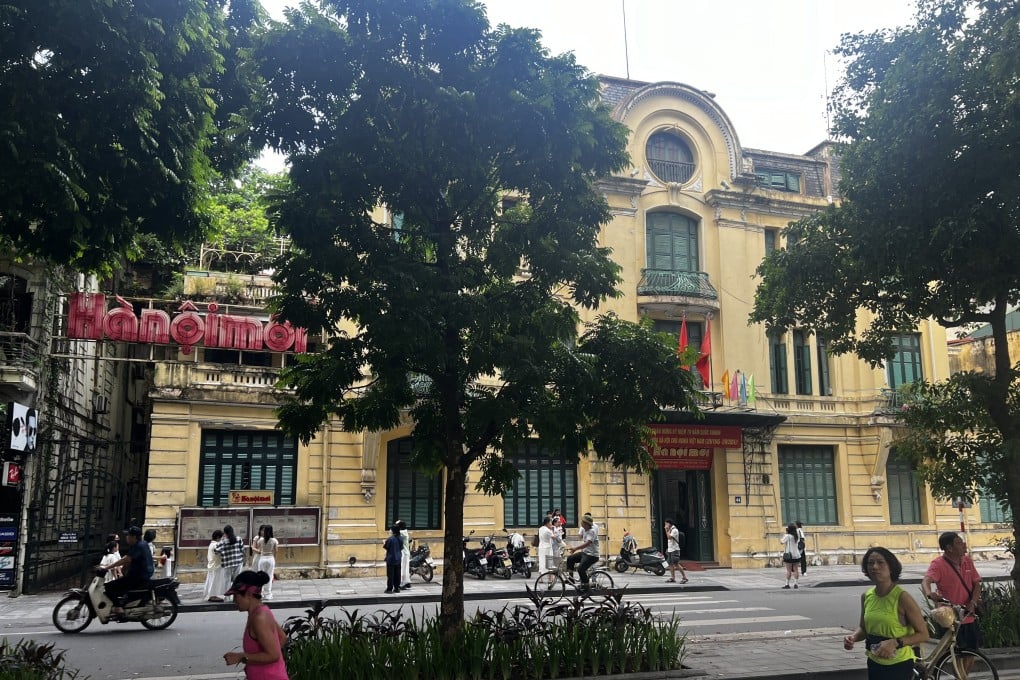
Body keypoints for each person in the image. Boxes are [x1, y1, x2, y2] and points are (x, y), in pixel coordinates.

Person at [843, 547, 928, 680]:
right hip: (874, 662)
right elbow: (864, 629)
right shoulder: (866, 596)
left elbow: (923, 634)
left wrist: (895, 643)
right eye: (870, 563)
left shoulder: (903, 598)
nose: (875, 567)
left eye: (880, 562)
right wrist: (853, 638)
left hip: (899, 665)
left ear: (891, 567)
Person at [921, 531, 983, 668]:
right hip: (950, 617)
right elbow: (926, 581)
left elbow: (977, 583)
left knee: (972, 652)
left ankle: (963, 677)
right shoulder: (938, 564)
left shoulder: (967, 561)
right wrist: (929, 593)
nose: (963, 545)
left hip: (968, 614)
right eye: (959, 543)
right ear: (949, 548)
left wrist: (972, 602)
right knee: (957, 654)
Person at [222, 570, 289, 680]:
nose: (234, 601)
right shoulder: (260, 612)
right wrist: (254, 664)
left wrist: (241, 657)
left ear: (248, 594)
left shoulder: (260, 618)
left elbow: (274, 655)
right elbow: (282, 637)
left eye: (236, 596)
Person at [101, 526, 154, 614]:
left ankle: (118, 607)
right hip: (140, 575)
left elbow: (126, 560)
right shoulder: (141, 544)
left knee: (108, 587)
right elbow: (129, 559)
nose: (126, 537)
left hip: (138, 577)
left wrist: (107, 568)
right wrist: (122, 571)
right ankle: (122, 604)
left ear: (134, 537)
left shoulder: (139, 546)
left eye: (128, 535)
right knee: (120, 584)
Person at [565, 513, 599, 588]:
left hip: (592, 555)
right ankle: (571, 579)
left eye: (583, 522)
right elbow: (580, 537)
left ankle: (586, 585)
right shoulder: (584, 529)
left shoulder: (592, 531)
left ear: (586, 523)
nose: (581, 523)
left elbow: (587, 543)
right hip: (585, 553)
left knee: (580, 569)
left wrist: (575, 548)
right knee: (570, 559)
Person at [217, 525, 246, 598]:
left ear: (225, 533)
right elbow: (242, 550)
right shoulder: (238, 539)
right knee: (237, 580)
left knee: (227, 581)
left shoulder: (223, 541)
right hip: (238, 562)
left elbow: (216, 550)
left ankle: (228, 597)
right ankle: (236, 597)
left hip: (227, 564)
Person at [664, 518, 689, 584]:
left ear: (669, 524)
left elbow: (669, 537)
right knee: (670, 564)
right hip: (670, 549)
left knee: (676, 564)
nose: (665, 525)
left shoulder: (674, 530)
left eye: (666, 524)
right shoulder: (670, 529)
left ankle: (684, 577)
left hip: (675, 550)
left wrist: (666, 530)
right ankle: (673, 578)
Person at [257, 525, 279, 600]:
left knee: (260, 577)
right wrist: (275, 559)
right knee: (269, 576)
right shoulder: (274, 540)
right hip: (270, 558)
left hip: (262, 558)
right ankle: (268, 594)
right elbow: (276, 551)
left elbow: (259, 549)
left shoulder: (261, 540)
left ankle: (260, 593)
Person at [204, 529, 225, 602]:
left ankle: (212, 595)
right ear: (218, 537)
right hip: (216, 566)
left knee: (212, 581)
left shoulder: (211, 544)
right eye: (222, 538)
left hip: (212, 565)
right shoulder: (216, 545)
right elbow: (221, 553)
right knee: (214, 582)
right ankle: (213, 596)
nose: (222, 539)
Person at [780, 523, 801, 589]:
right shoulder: (796, 536)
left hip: (789, 555)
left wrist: (785, 534)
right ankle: (796, 584)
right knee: (796, 570)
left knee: (788, 570)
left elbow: (781, 542)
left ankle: (787, 584)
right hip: (796, 555)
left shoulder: (787, 536)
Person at [383, 524, 402, 593]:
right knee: (397, 574)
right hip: (398, 558)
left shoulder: (390, 539)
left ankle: (389, 588)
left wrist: (384, 542)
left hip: (391, 559)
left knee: (390, 575)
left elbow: (386, 547)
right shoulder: (400, 538)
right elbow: (401, 547)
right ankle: (397, 588)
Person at [396, 519, 411, 590]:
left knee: (403, 568)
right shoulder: (404, 531)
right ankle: (407, 582)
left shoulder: (402, 533)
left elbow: (393, 533)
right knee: (405, 568)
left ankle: (403, 582)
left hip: (404, 553)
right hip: (406, 552)